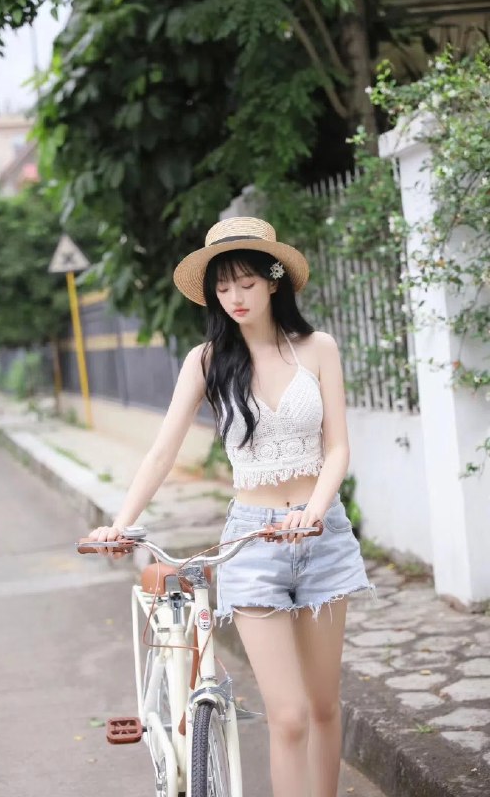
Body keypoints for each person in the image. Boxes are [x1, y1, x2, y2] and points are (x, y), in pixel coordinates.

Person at [88, 216, 376, 797]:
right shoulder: (207, 360)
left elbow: (338, 448)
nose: (235, 297)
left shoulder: (318, 349)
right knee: (289, 716)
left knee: (325, 706)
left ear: (273, 281)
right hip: (252, 543)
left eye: (246, 282)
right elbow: (163, 451)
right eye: (223, 287)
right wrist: (121, 523)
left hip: (322, 534)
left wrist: (315, 510)